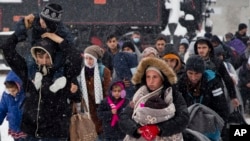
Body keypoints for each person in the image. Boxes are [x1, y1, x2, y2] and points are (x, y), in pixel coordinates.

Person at [0, 28, 82, 140]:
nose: (43, 61)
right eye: (40, 57)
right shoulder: (28, 72)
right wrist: (20, 30)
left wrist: (60, 41)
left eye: (47, 57)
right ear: (35, 57)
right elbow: (7, 49)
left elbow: (76, 59)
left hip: (55, 134)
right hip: (30, 133)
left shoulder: (64, 74)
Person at [119, 57, 189, 141]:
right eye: (148, 77)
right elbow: (124, 117)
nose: (151, 81)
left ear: (162, 79)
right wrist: (136, 129)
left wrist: (159, 128)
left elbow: (183, 118)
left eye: (155, 77)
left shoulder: (173, 95)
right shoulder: (139, 96)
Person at [16, 3, 74, 81]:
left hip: (54, 50)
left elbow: (70, 43)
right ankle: (34, 79)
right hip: (37, 47)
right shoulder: (35, 18)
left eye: (44, 22)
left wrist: (55, 38)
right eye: (41, 20)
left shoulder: (60, 28)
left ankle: (57, 79)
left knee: (58, 62)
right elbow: (20, 26)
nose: (41, 23)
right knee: (30, 61)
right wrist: (23, 26)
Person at [177, 55, 230, 141]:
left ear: (202, 72)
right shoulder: (181, 82)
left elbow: (222, 107)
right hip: (188, 121)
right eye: (190, 73)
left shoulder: (213, 82)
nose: (193, 77)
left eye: (197, 74)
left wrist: (221, 130)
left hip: (209, 121)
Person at [193, 37, 240, 108]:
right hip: (199, 96)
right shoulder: (193, 62)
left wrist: (233, 96)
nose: (201, 50)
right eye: (199, 48)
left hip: (217, 96)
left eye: (204, 48)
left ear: (209, 48)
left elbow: (227, 78)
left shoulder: (216, 62)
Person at [78, 45, 112, 140]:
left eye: (91, 58)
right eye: (86, 58)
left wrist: (104, 104)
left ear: (96, 59)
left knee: (101, 130)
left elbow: (107, 89)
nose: (88, 61)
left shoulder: (104, 70)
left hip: (100, 104)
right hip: (88, 106)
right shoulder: (83, 71)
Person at [0, 71, 26, 141]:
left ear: (19, 86)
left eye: (13, 91)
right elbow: (2, 109)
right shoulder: (6, 95)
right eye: (9, 91)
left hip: (26, 130)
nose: (11, 93)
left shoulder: (25, 95)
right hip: (14, 128)